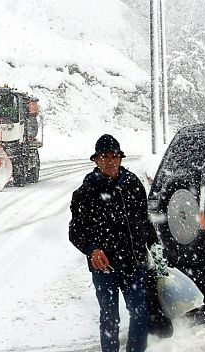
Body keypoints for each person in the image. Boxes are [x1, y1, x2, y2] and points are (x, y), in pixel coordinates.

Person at [69, 134, 160, 352]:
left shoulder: (133, 185)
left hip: (134, 262)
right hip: (105, 267)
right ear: (96, 160)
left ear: (120, 158)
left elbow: (144, 220)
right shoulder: (85, 192)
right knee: (109, 317)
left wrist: (154, 247)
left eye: (115, 156)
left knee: (140, 312)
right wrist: (92, 250)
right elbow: (75, 231)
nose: (110, 161)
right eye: (104, 156)